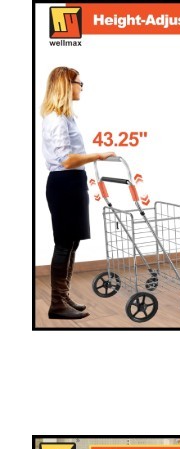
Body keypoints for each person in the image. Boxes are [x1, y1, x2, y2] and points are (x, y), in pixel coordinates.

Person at [40, 66, 114, 320]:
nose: (81, 88)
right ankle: (57, 303)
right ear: (66, 85)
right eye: (79, 83)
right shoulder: (55, 118)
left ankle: (63, 296)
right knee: (64, 243)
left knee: (72, 242)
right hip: (64, 183)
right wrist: (99, 155)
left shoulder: (66, 117)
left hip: (72, 181)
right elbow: (67, 160)